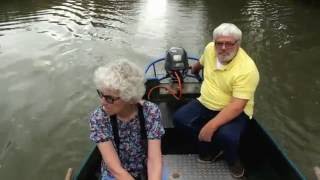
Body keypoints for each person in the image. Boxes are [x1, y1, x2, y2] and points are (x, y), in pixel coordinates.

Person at [173, 23, 260, 178]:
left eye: (229, 43)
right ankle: (212, 150)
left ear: (238, 44)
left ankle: (233, 160)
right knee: (179, 119)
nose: (223, 48)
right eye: (219, 43)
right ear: (214, 43)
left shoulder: (247, 69)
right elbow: (201, 63)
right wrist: (194, 70)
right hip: (205, 102)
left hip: (234, 109)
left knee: (227, 136)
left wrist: (211, 126)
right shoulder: (209, 49)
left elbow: (237, 106)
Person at [88, 59, 166, 180]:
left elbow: (154, 160)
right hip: (115, 174)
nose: (102, 102)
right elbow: (115, 168)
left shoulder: (151, 111)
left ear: (128, 96)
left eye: (109, 98)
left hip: (146, 169)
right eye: (101, 94)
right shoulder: (99, 118)